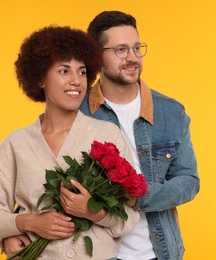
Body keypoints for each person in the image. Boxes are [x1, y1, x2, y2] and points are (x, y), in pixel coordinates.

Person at [0, 25, 139, 260]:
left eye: (81, 72)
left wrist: (95, 212)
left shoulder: (107, 136)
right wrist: (27, 222)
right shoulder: (16, 144)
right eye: (64, 71)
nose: (76, 81)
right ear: (40, 79)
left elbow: (129, 217)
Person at [80, 11, 200, 260]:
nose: (133, 58)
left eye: (137, 48)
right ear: (96, 56)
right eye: (121, 50)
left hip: (161, 251)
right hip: (98, 253)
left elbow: (189, 180)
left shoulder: (170, 111)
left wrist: (139, 196)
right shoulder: (77, 112)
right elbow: (40, 174)